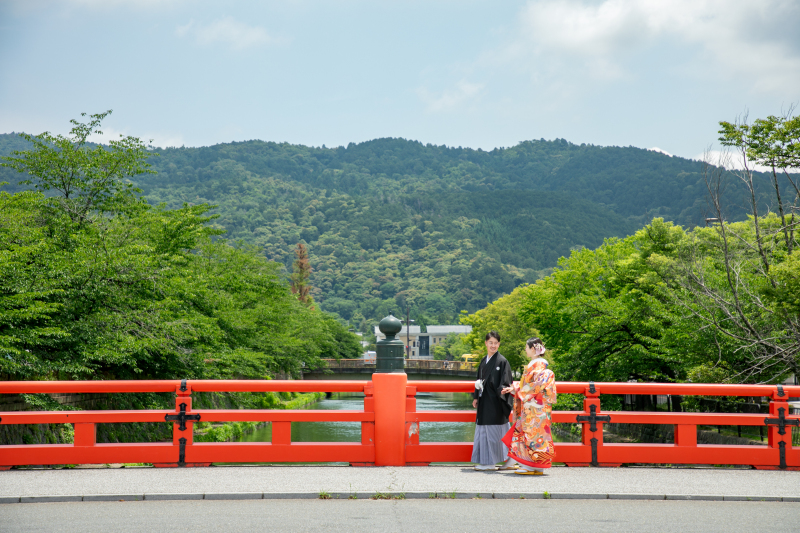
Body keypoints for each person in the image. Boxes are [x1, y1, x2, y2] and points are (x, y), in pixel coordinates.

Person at [501, 337, 557, 475]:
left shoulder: (538, 367)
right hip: (538, 406)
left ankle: (531, 466)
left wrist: (517, 390)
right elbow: (528, 386)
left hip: (534, 408)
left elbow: (534, 386)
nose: (525, 350)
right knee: (536, 436)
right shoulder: (537, 366)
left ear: (533, 349)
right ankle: (537, 466)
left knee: (531, 435)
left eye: (526, 347)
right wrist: (515, 388)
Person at [471, 331, 514, 471]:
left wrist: (501, 391)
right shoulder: (484, 360)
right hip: (484, 402)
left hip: (496, 403)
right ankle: (487, 461)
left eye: (496, 343)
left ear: (499, 344)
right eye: (491, 343)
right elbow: (479, 379)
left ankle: (491, 463)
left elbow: (506, 382)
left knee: (494, 433)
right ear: (486, 343)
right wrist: (476, 396)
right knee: (484, 432)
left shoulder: (502, 361)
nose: (493, 345)